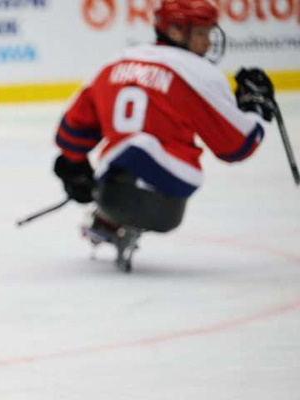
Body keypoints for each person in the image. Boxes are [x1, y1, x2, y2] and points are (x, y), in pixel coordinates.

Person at [52, 0, 276, 271]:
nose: (207, 43)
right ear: (174, 31)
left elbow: (72, 130)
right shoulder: (197, 73)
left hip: (112, 190)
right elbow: (237, 147)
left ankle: (109, 213)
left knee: (130, 149)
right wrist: (253, 109)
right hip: (170, 194)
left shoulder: (116, 62)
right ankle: (126, 180)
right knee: (148, 148)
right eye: (201, 34)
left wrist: (74, 167)